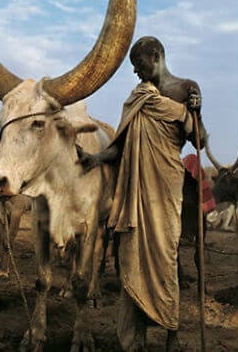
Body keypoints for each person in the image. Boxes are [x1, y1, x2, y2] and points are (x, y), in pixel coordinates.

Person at [78, 36, 206, 351]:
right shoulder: (137, 98)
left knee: (166, 258)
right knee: (132, 260)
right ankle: (138, 335)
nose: (136, 73)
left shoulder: (185, 88)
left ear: (156, 55)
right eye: (134, 68)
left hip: (165, 187)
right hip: (137, 194)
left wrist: (197, 112)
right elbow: (120, 147)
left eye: (139, 65)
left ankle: (172, 334)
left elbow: (199, 138)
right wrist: (94, 159)